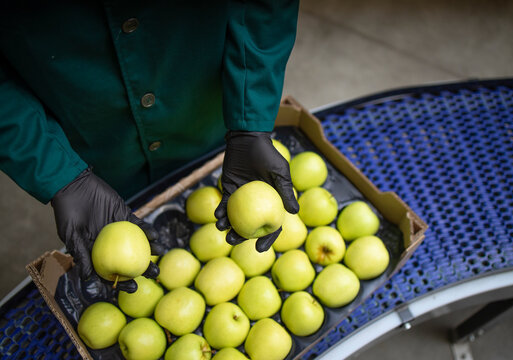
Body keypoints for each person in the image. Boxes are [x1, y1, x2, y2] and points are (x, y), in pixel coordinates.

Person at [0, 1, 300, 293]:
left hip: (205, 107)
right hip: (92, 140)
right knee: (110, 205)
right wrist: (57, 170)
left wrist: (249, 117)